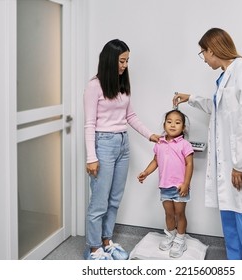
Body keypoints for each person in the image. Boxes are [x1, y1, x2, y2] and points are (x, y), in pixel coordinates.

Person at [172, 28, 242, 260]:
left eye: (203, 53)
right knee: (231, 231)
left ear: (212, 49)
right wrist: (190, 98)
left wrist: (240, 165)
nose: (204, 59)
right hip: (228, 169)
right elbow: (218, 107)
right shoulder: (225, 75)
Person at [84, 39, 160, 260]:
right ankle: (93, 248)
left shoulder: (122, 84)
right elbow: (89, 123)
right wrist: (91, 157)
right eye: (122, 60)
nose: (125, 65)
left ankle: (107, 241)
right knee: (99, 201)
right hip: (103, 144)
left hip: (122, 144)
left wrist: (150, 135)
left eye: (127, 61)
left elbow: (130, 116)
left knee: (115, 198)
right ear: (110, 60)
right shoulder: (94, 86)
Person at [137, 109, 194, 258]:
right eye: (169, 122)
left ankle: (180, 239)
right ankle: (171, 235)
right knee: (169, 214)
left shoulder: (185, 144)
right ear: (164, 125)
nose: (173, 125)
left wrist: (186, 183)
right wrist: (145, 172)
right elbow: (155, 161)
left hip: (180, 187)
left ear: (183, 127)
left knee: (179, 214)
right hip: (164, 186)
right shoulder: (159, 143)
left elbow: (189, 164)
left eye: (177, 122)